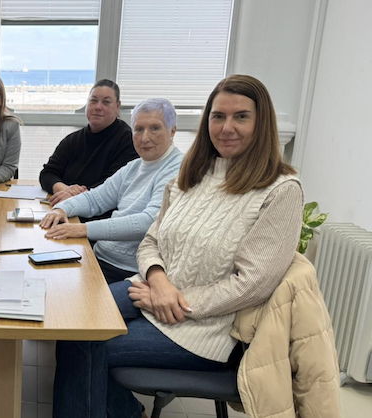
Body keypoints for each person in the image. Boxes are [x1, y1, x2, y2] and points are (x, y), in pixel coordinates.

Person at [52, 75, 303, 418]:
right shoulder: (193, 174)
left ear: (263, 123)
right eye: (218, 116)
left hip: (204, 326)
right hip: (151, 290)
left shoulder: (281, 190)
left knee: (84, 344)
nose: (227, 127)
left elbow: (253, 283)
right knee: (73, 325)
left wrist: (176, 301)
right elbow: (152, 239)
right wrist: (158, 281)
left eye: (241, 116)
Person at [40, 98, 183, 283]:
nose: (145, 137)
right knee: (43, 277)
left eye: (155, 128)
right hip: (101, 256)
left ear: (172, 131)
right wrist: (62, 209)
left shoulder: (178, 168)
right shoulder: (134, 166)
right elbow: (94, 199)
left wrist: (83, 229)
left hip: (132, 270)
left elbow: (148, 222)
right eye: (139, 129)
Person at [39, 79, 138, 207]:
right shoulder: (73, 140)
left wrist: (76, 196)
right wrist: (65, 190)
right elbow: (47, 174)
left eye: (106, 102)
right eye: (93, 100)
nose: (98, 107)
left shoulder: (127, 140)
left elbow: (112, 186)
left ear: (117, 107)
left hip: (100, 215)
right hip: (66, 206)